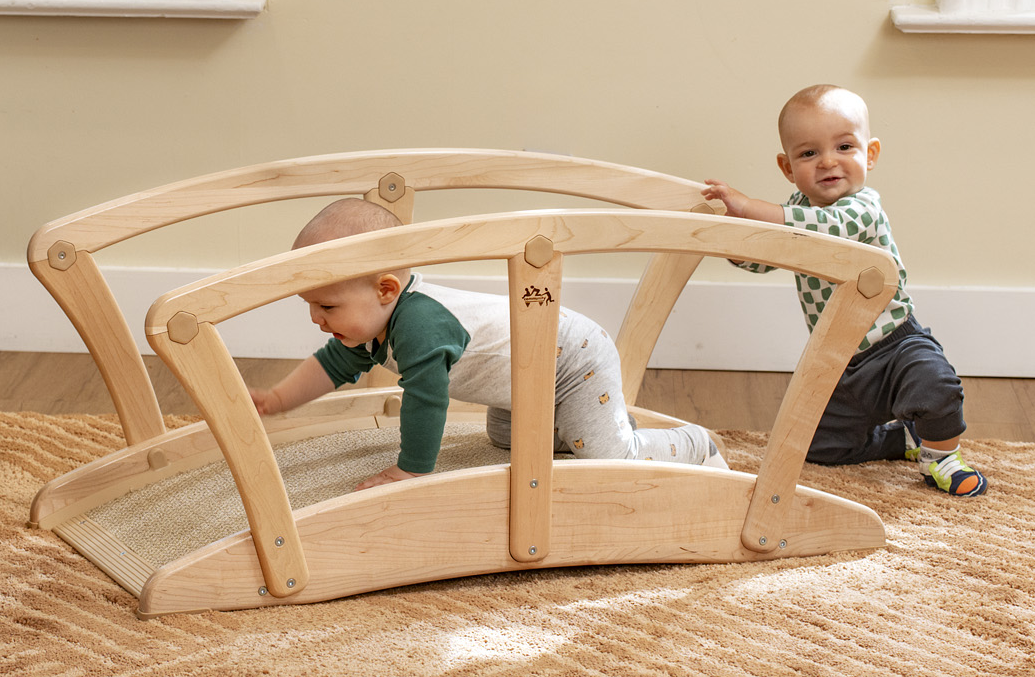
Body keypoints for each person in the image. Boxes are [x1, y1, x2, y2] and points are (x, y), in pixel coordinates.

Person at [249, 198, 726, 490]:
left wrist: (412, 469)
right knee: (506, 438)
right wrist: (277, 399)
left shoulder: (418, 326)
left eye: (327, 306)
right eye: (310, 305)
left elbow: (426, 401)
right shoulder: (372, 322)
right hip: (521, 377)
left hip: (571, 359)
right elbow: (331, 365)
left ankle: (694, 444)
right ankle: (603, 421)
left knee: (605, 457)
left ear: (386, 290)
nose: (316, 318)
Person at [702, 83, 985, 498]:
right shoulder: (798, 209)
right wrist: (731, 237)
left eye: (844, 147)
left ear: (870, 154)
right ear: (787, 167)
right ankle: (901, 439)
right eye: (808, 153)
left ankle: (941, 457)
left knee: (936, 386)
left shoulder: (863, 208)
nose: (828, 162)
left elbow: (824, 228)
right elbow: (764, 257)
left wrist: (750, 208)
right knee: (818, 445)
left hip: (894, 343)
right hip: (838, 358)